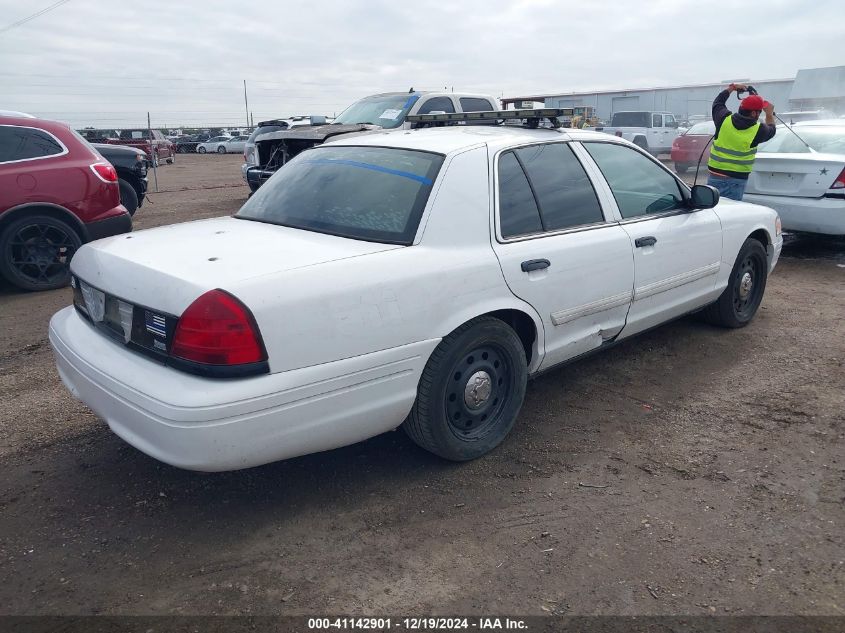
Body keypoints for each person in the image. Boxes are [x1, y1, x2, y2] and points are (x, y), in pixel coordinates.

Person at [707, 83, 777, 201]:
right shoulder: (759, 130)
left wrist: (732, 88)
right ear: (754, 113)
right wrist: (769, 113)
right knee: (730, 214)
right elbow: (772, 129)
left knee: (712, 209)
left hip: (715, 175)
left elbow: (718, 103)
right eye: (759, 112)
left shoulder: (724, 119)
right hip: (736, 180)